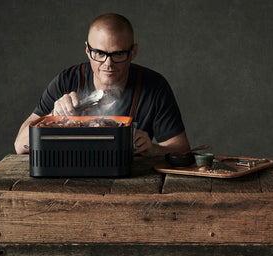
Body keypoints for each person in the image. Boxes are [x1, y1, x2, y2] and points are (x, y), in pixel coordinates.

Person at [14, 13, 190, 158]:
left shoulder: (154, 87)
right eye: (99, 53)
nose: (108, 64)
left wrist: (153, 149)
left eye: (118, 54)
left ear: (133, 52)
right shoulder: (67, 81)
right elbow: (20, 146)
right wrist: (53, 118)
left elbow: (182, 149)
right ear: (87, 50)